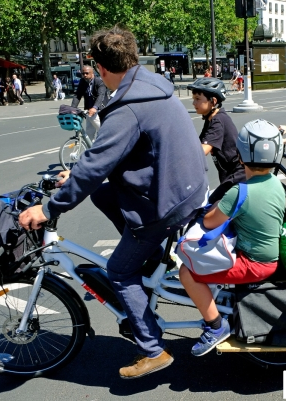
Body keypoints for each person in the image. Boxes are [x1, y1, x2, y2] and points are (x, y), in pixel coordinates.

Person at [18, 24, 208, 379]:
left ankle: (153, 349)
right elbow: (113, 160)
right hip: (184, 188)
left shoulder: (127, 108)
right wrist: (74, 178)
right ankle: (147, 256)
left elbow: (96, 165)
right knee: (103, 194)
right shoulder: (152, 86)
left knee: (119, 271)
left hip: (165, 204)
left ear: (100, 68)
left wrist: (48, 209)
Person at [179, 119, 285, 357]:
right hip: (268, 256)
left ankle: (216, 326)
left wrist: (215, 205)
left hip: (255, 263)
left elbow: (209, 222)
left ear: (240, 155)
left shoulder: (240, 191)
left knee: (186, 272)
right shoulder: (275, 183)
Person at [187, 78, 246, 203]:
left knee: (211, 207)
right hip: (229, 175)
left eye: (197, 99)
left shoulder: (218, 121)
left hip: (237, 175)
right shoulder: (211, 119)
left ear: (213, 101)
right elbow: (197, 145)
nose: (193, 103)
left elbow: (202, 151)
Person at [71, 65, 107, 140]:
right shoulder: (82, 81)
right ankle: (90, 149)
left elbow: (101, 95)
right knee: (89, 133)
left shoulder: (99, 81)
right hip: (89, 110)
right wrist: (72, 108)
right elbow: (78, 95)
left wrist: (95, 108)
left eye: (87, 73)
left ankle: (108, 144)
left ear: (92, 73)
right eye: (83, 73)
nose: (85, 75)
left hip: (99, 109)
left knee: (103, 131)